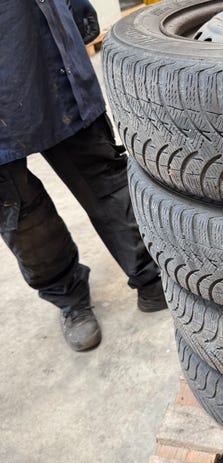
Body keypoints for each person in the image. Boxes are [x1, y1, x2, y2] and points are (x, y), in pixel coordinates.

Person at [0, 0, 167, 352]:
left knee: (99, 169)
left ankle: (151, 274)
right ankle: (68, 295)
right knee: (17, 208)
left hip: (35, 31)